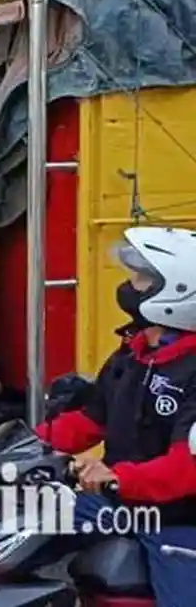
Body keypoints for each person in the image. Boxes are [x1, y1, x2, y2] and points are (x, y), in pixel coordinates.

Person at [35, 226, 196, 607]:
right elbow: (91, 420)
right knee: (17, 532)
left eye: (139, 279)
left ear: (173, 292)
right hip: (118, 505)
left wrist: (115, 477)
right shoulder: (135, 353)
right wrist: (26, 444)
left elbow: (185, 469)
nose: (128, 286)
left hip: (176, 521)